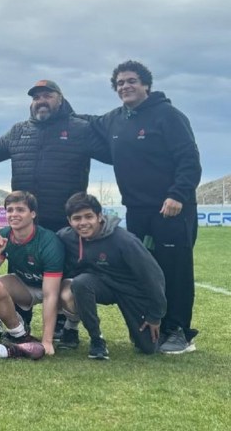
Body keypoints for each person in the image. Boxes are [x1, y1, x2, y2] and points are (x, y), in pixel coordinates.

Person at [89, 60, 201, 354]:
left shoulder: (169, 116)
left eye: (131, 81)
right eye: (120, 83)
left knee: (174, 270)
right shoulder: (114, 119)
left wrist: (177, 194)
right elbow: (86, 122)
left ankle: (179, 331)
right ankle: (155, 326)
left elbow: (189, 159)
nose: (125, 86)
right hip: (137, 212)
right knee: (143, 270)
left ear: (146, 85)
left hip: (171, 208)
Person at [0, 80, 108, 232]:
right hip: (28, 221)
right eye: (36, 98)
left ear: (60, 99)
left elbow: (113, 155)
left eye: (47, 96)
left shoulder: (80, 128)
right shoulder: (18, 131)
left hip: (65, 222)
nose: (41, 101)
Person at [57, 193, 167, 359]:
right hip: (99, 286)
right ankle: (96, 339)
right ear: (69, 221)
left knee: (148, 347)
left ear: (100, 216)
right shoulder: (66, 237)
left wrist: (155, 315)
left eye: (89, 216)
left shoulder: (125, 240)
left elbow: (154, 276)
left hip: (130, 290)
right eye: (77, 218)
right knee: (80, 283)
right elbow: (43, 241)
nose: (83, 223)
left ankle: (143, 330)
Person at [0, 191, 65, 355]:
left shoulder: (48, 241)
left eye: (20, 210)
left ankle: (70, 328)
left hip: (55, 289)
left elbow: (50, 294)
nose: (14, 214)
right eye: (10, 210)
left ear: (33, 214)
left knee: (71, 295)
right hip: (26, 287)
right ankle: (19, 331)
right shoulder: (5, 234)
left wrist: (46, 341)